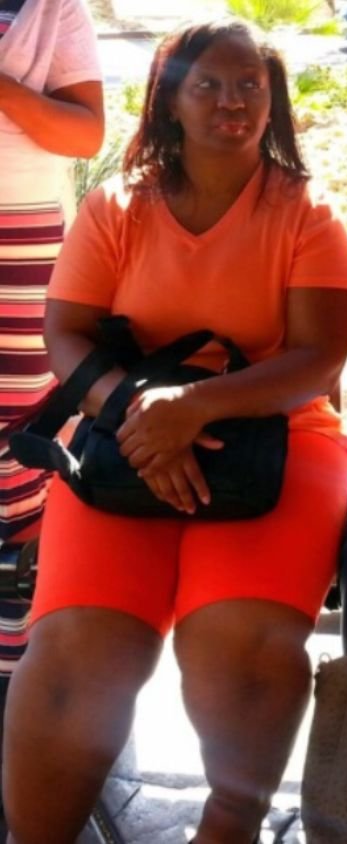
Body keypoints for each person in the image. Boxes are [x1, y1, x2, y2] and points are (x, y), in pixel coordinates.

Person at [2, 19, 347, 841]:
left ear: (272, 103)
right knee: (76, 649)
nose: (233, 102)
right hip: (123, 427)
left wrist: (195, 410)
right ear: (170, 99)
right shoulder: (115, 207)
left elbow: (315, 359)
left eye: (250, 87)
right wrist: (142, 419)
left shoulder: (307, 214)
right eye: (210, 86)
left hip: (281, 431)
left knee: (238, 641)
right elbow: (66, 335)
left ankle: (229, 821)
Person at [0, 0, 103, 681]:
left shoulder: (54, 6)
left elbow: (86, 134)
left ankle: (16, 661)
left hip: (21, 234)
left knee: (19, 439)